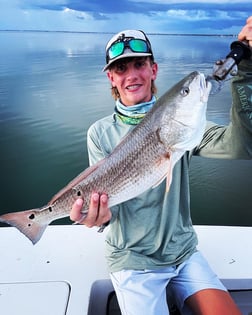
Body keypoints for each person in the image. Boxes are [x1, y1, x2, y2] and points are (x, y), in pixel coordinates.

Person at [70, 17, 252, 315]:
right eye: (121, 68)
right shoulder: (100, 133)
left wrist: (245, 71)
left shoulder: (184, 128)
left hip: (183, 252)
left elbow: (241, 145)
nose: (132, 75)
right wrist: (97, 218)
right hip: (134, 261)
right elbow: (104, 203)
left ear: (153, 70)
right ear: (111, 79)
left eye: (139, 64)